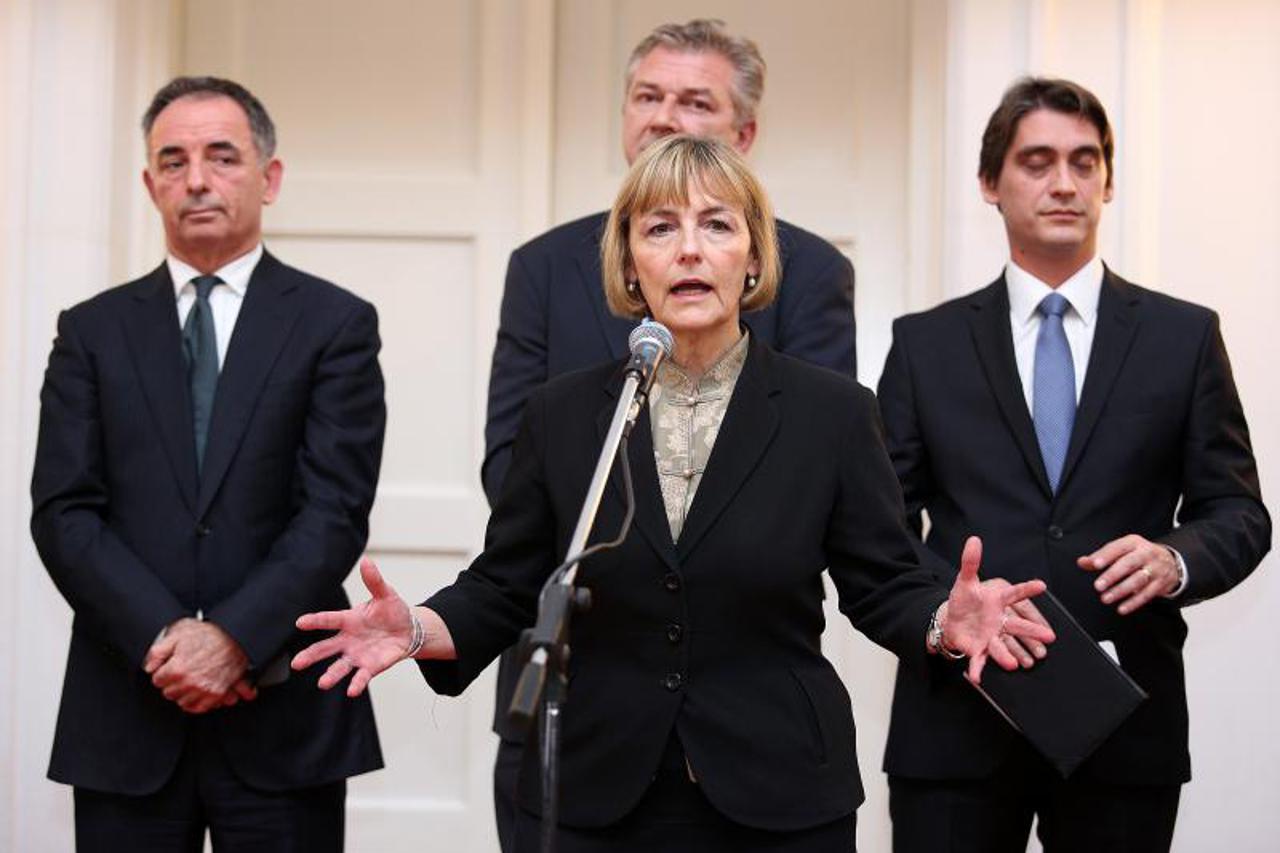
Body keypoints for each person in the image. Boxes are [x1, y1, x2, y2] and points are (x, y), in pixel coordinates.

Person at [293, 135, 1054, 853]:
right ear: (630, 264)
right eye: (660, 228)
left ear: (753, 257)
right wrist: (417, 628)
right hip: (599, 788)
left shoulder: (832, 412)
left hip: (780, 788)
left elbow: (882, 580)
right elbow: (506, 583)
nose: (689, 248)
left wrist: (941, 621)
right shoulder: (563, 414)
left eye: (717, 225)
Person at [482, 21, 857, 847]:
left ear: (743, 136)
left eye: (694, 101)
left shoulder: (809, 271)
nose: (663, 118)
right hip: (586, 710)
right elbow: (511, 467)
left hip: (752, 732)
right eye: (647, 97)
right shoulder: (544, 265)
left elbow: (819, 477)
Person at [876, 77, 1271, 853]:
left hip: (1124, 727)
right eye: (1037, 161)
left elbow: (1239, 513)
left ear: (1108, 182)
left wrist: (1175, 559)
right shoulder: (924, 344)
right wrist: (947, 615)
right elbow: (879, 528)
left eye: (1085, 162)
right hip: (956, 725)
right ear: (990, 183)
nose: (1065, 182)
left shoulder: (1184, 337)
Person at [30, 76, 386, 852]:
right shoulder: (90, 331)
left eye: (222, 157)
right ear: (149, 184)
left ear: (269, 176)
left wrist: (232, 638)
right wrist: (164, 638)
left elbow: (333, 511)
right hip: (127, 708)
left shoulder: (335, 324)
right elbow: (64, 511)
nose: (196, 179)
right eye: (174, 160)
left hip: (282, 715)